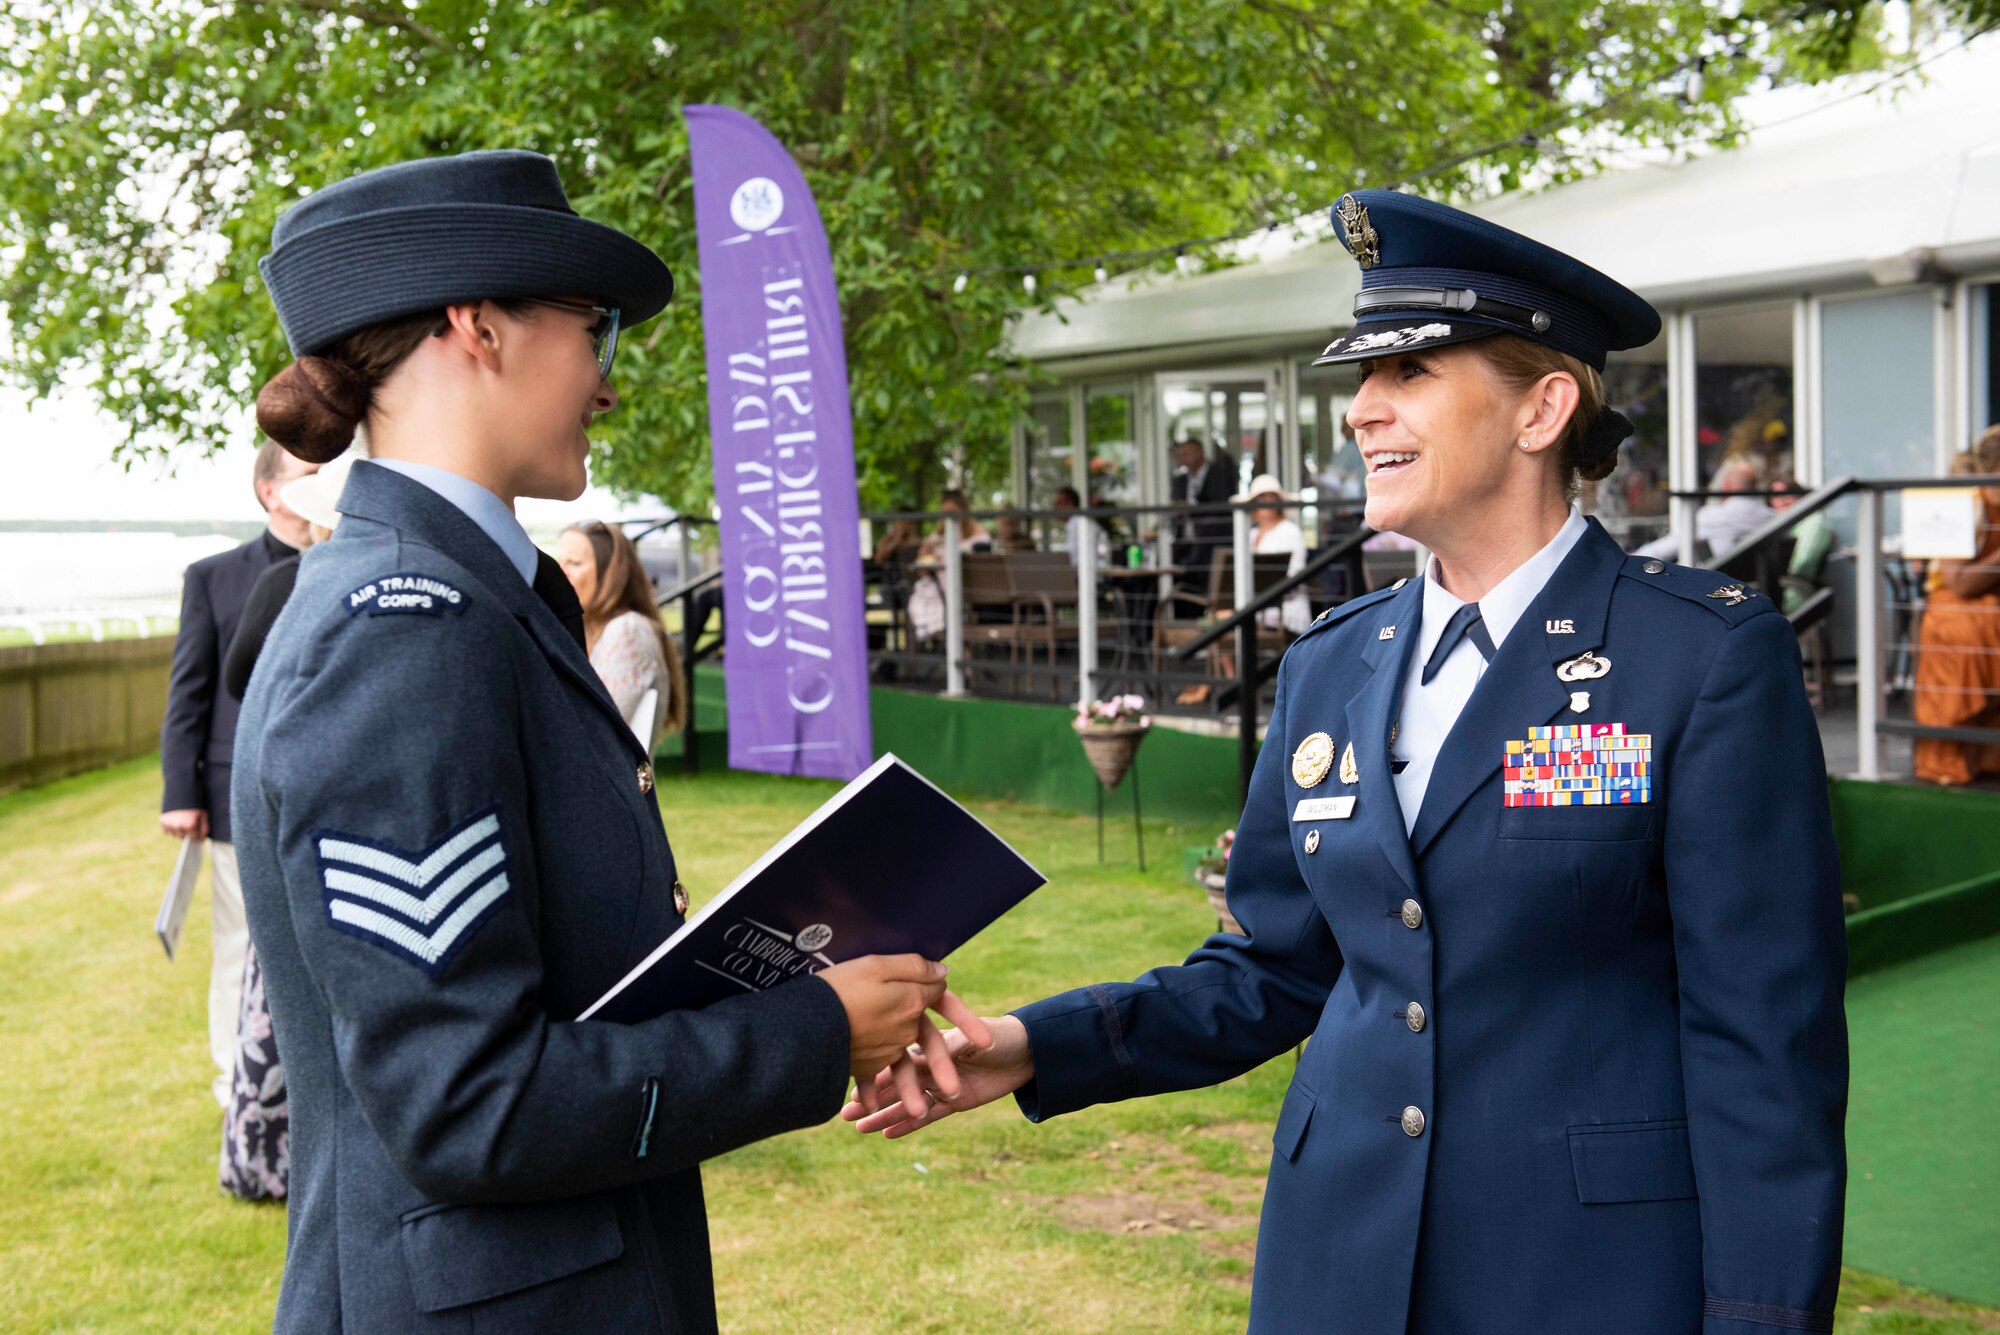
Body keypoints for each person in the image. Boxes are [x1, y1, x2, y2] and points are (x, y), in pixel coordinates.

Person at [848, 190, 1848, 1335]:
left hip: (1583, 1274)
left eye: (1409, 373)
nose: (1359, 411)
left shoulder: (1700, 655)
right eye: (1359, 380)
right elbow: (1274, 968)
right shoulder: (1332, 662)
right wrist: (1031, 1050)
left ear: (1543, 408)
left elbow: (1764, 1049)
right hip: (1338, 1261)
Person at [230, 150, 984, 1334]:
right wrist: (811, 1028)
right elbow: (467, 1101)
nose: (608, 382)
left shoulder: (461, 597)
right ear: (478, 327)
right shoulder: (403, 629)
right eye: (596, 332)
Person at [160, 437, 318, 1115]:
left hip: (324, 789)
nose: (323, 482)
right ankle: (237, 1090)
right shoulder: (214, 576)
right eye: (309, 472)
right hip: (234, 797)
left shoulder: (349, 559)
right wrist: (180, 794)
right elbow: (188, 692)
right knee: (240, 947)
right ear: (271, 490)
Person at [216, 452, 355, 1203]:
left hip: (294, 800)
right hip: (312, 804)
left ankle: (275, 1154)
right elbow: (239, 673)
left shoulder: (293, 580)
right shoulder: (294, 581)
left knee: (275, 993)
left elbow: (245, 678)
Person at [1912, 430, 2000, 786]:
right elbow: (1959, 583)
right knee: (1975, 629)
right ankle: (1952, 757)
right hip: (1956, 607)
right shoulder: (1961, 503)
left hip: (1987, 607)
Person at [556, 519, 687, 751]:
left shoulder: (627, 630)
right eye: (558, 562)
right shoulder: (588, 631)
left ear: (612, 574)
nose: (561, 573)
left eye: (574, 563)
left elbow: (592, 732)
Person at [1636, 459, 1772, 561]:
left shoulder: (1712, 516)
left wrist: (1630, 560)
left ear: (1727, 487)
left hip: (1722, 586)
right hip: (1766, 586)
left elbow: (1665, 549)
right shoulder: (1773, 518)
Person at [1169, 437, 1233, 581]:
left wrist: (1193, 511)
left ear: (1199, 452)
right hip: (1183, 545)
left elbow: (1221, 508)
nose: (1182, 458)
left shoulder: (1219, 475)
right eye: (1180, 454)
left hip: (1210, 547)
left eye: (1186, 453)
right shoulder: (1180, 481)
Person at [1053, 485, 1108, 568]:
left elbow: (1072, 559)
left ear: (1070, 504)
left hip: (1088, 577)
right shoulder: (1076, 522)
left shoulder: (1078, 524)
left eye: (1059, 503)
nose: (1055, 507)